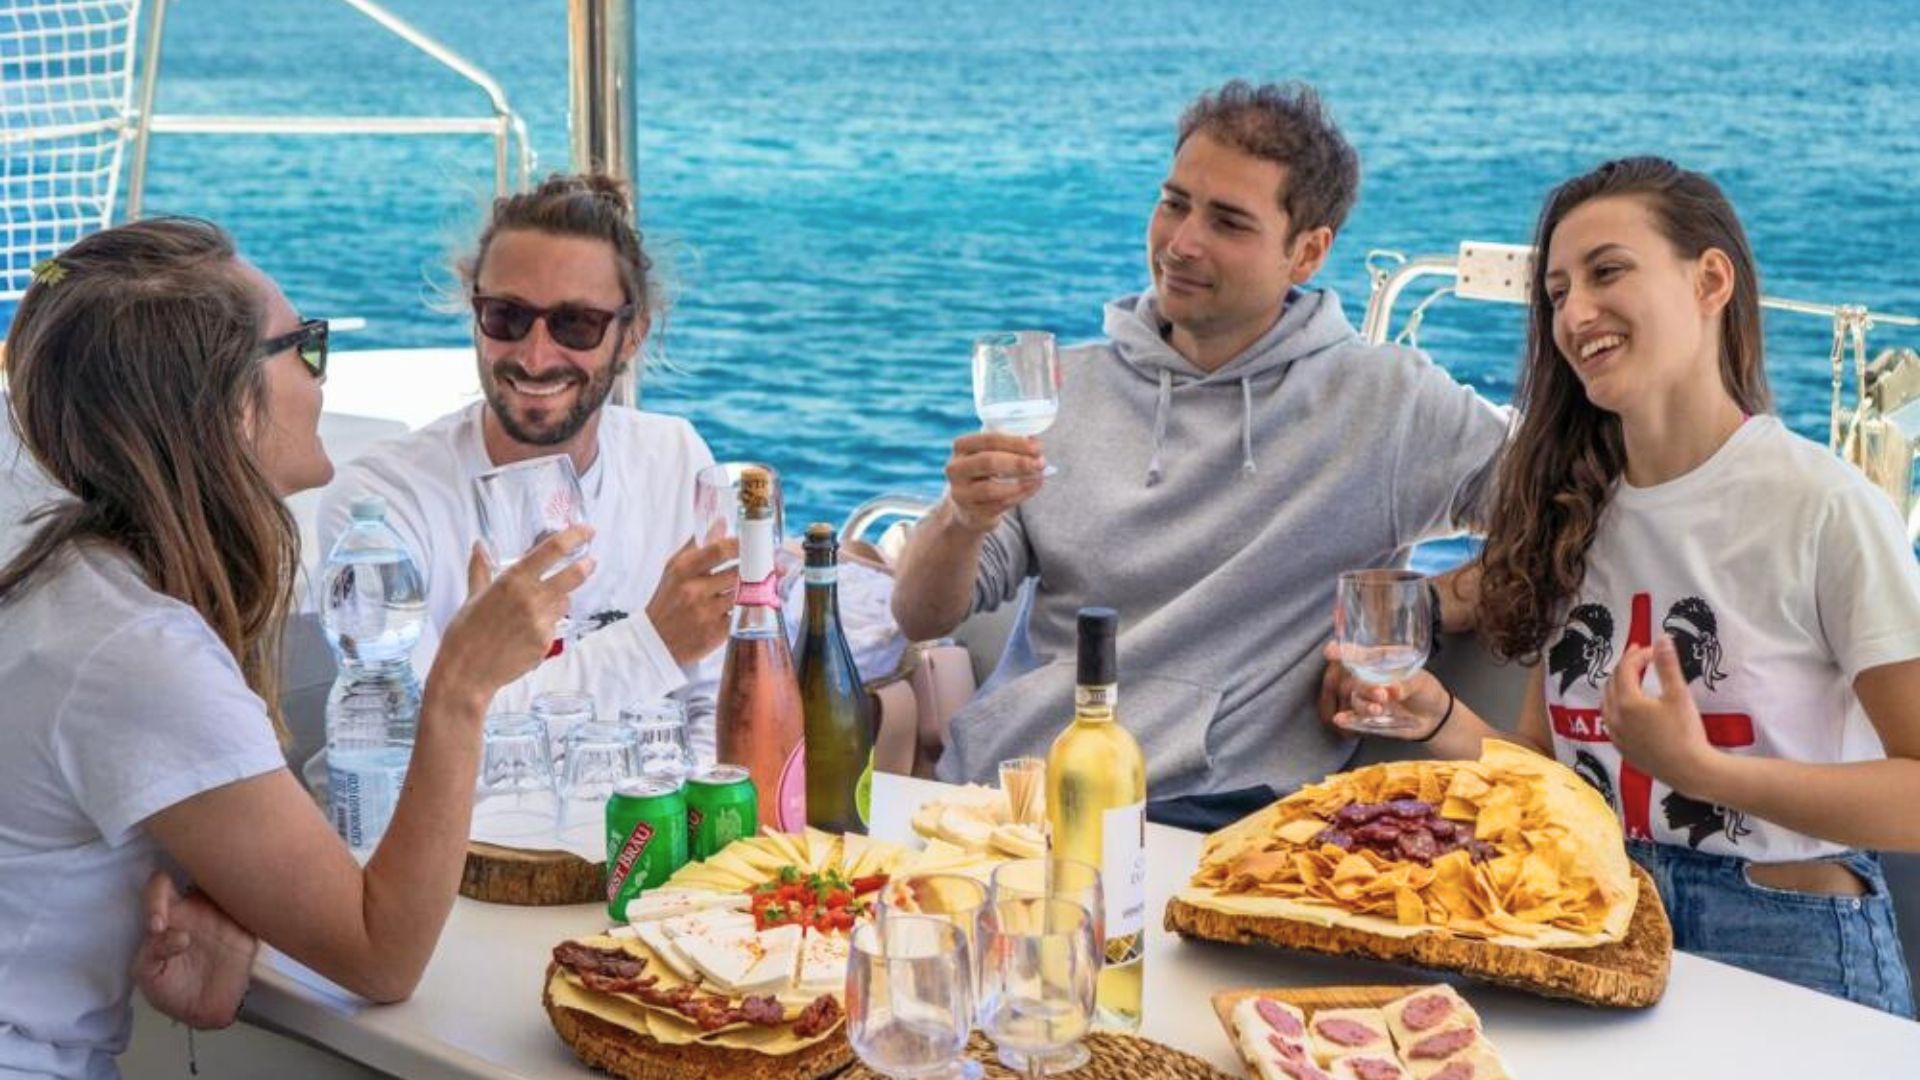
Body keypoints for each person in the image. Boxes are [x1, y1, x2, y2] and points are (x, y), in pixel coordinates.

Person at [1326, 157, 1920, 1016]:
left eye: (1608, 272)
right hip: (1595, 909)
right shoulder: (1579, 516)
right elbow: (1555, 773)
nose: (1574, 313)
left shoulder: (1822, 506)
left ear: (1710, 280)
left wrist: (1701, 770)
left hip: (1787, 933)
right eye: (1558, 292)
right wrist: (1437, 719)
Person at [0, 219, 589, 1077]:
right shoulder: (136, 651)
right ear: (232, 405)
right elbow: (379, 956)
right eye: (305, 348)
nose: (318, 377)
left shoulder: (67, 580)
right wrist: (465, 685)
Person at [890, 81, 1508, 820]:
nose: (1181, 242)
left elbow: (1576, 505)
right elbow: (922, 615)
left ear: (1307, 252)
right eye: (1174, 202)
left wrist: (1434, 605)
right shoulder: (1066, 390)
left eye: (1228, 222)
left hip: (1213, 813)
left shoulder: (1388, 404)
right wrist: (960, 518)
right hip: (1006, 792)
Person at [316, 174, 735, 759]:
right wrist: (652, 644)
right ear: (475, 312)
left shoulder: (672, 457)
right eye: (507, 317)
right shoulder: (381, 503)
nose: (536, 356)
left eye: (577, 325)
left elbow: (712, 703)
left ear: (631, 335)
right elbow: (411, 751)